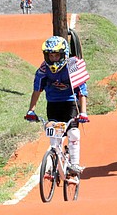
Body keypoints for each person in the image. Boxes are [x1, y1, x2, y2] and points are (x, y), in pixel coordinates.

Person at [24, 36, 90, 177]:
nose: (53, 59)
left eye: (56, 55)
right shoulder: (43, 69)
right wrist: (31, 110)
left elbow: (82, 91)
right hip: (53, 103)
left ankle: (75, 165)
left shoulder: (73, 66)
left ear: (64, 54)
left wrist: (83, 112)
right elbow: (37, 89)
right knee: (53, 132)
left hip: (70, 103)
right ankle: (53, 162)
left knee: (73, 133)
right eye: (50, 55)